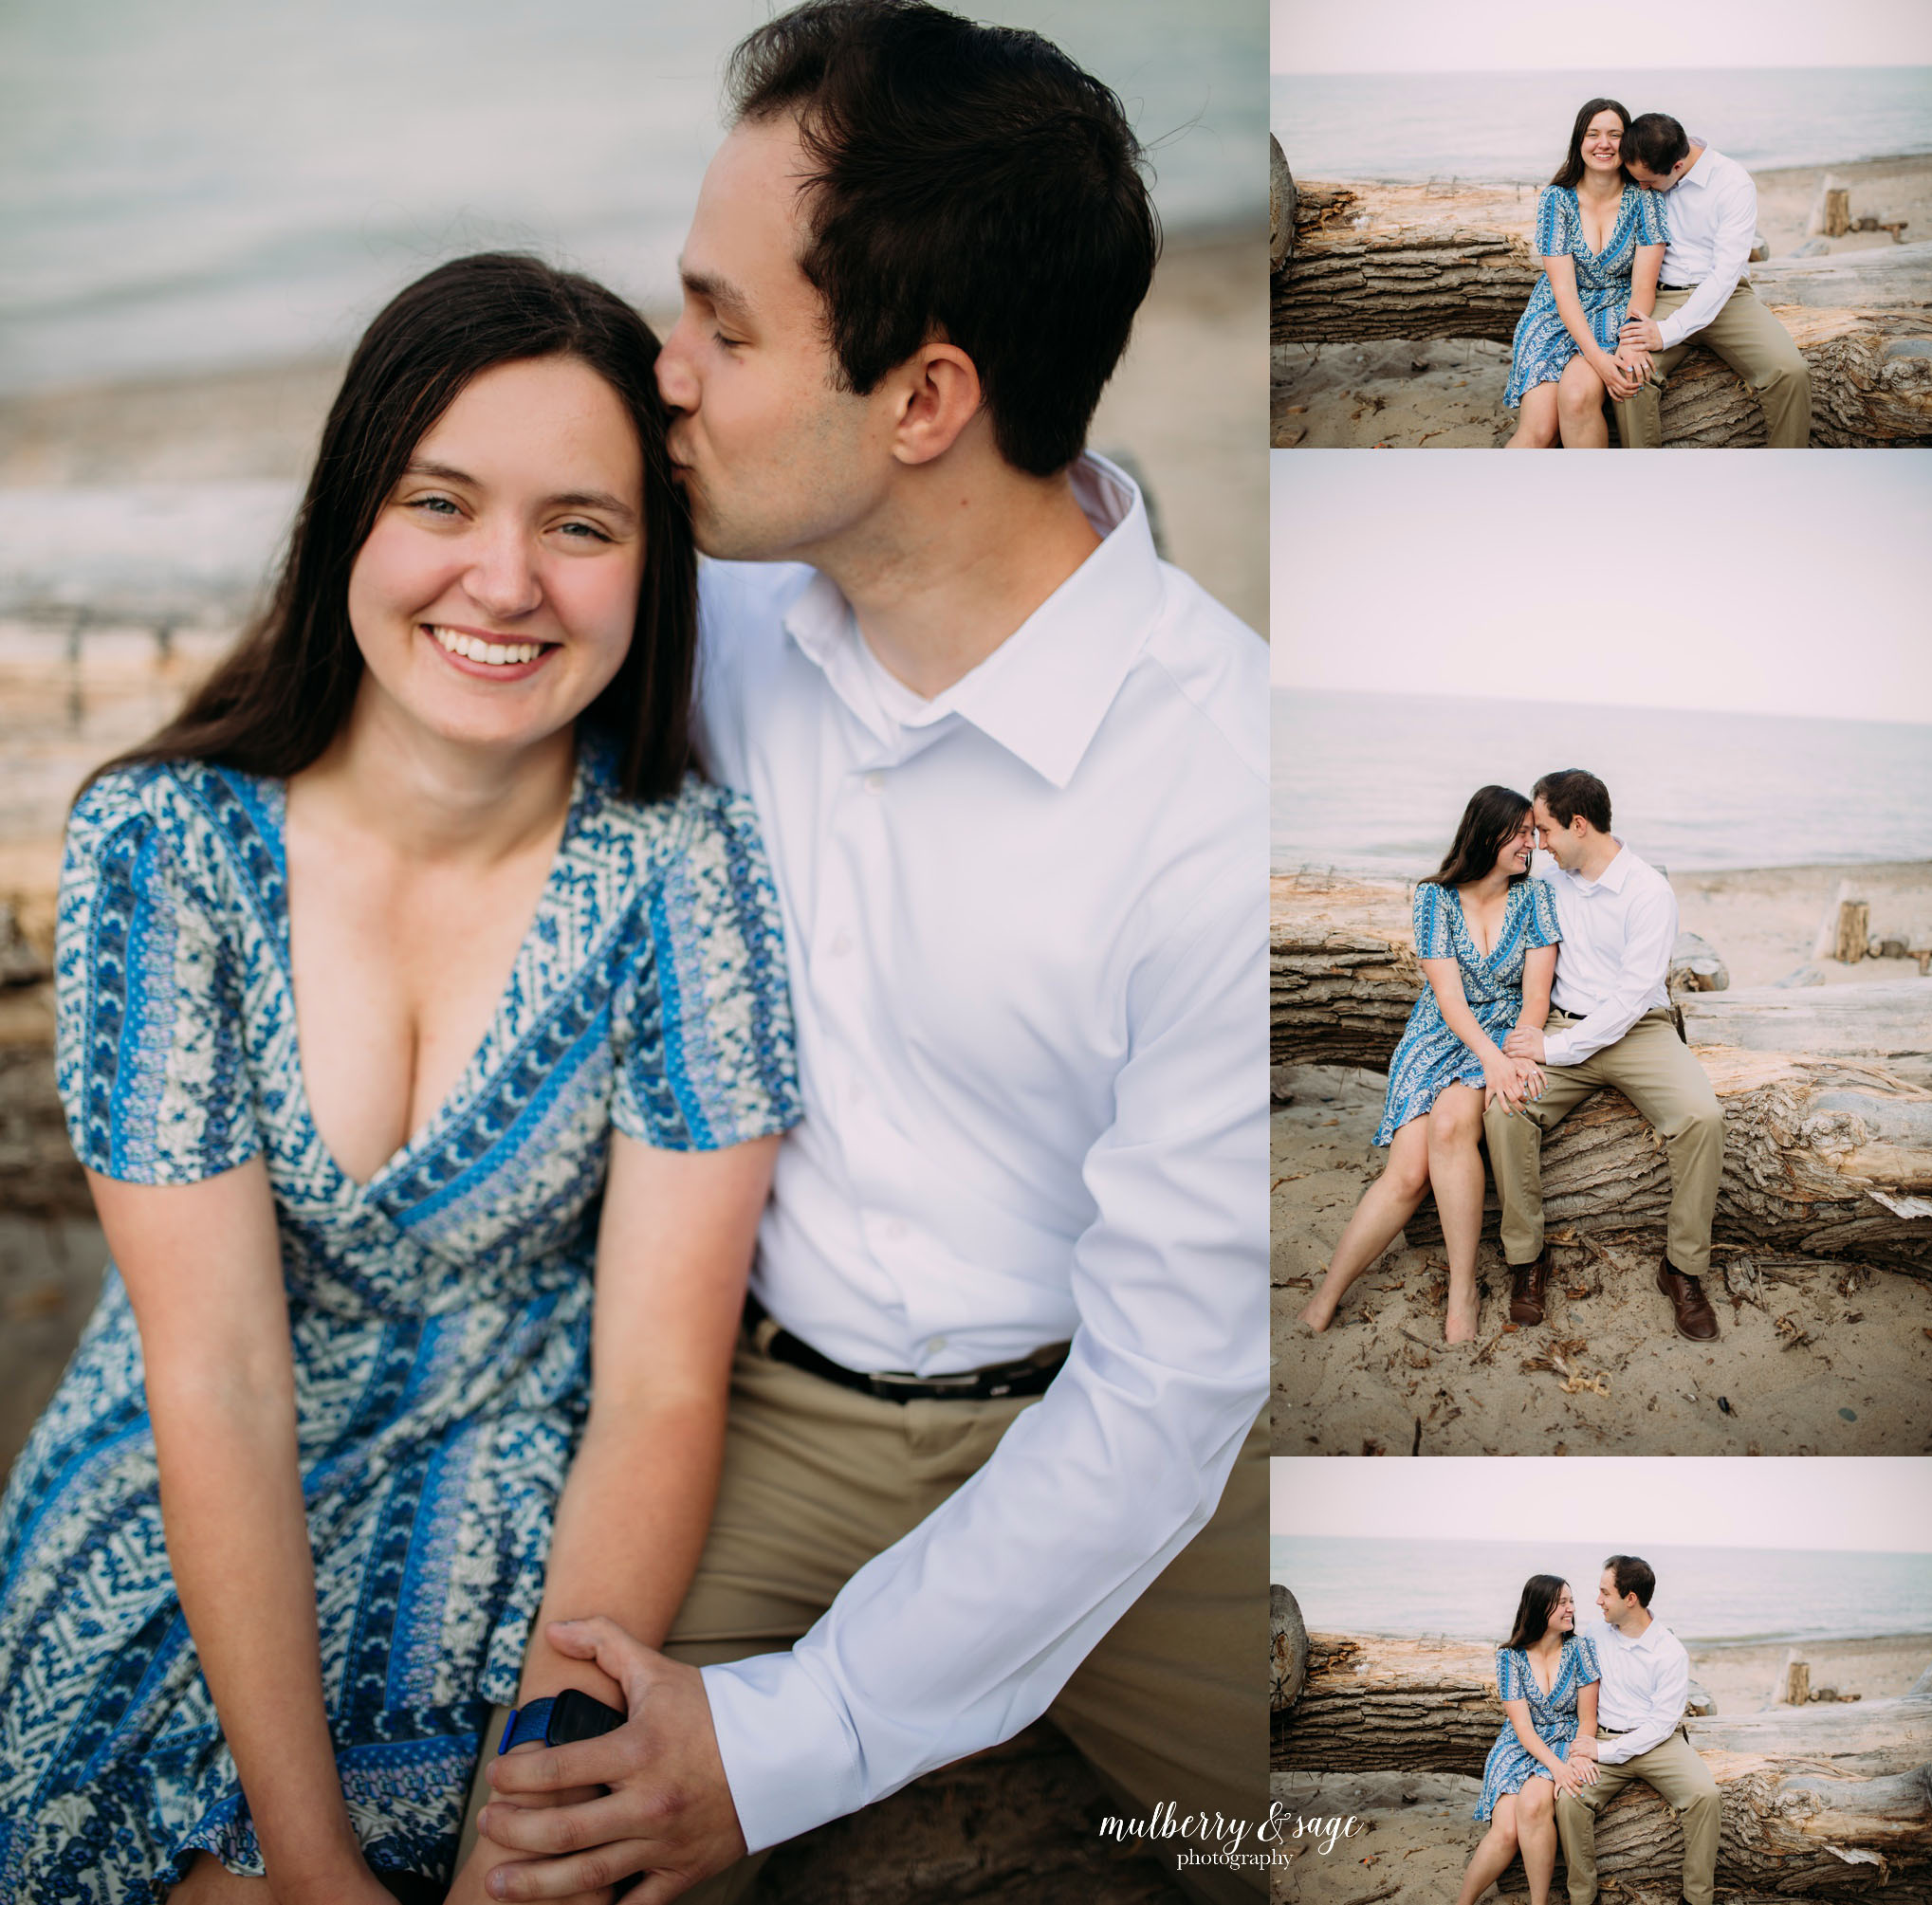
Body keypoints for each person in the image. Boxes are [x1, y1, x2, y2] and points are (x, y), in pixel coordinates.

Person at [467, 5, 1268, 1902]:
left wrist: (788, 1741)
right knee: (535, 1840)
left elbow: (1166, 1387)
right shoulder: (711, 620)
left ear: (923, 401)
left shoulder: (1233, 795)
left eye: (722, 329)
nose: (659, 372)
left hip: (1125, 1454)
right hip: (760, 1409)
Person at [0, 254, 800, 1904]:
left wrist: (542, 1786)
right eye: (442, 501)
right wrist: (309, 1866)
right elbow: (211, 1364)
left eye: (580, 524)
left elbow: (663, 1381)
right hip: (196, 1427)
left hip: (518, 1432)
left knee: (492, 1847)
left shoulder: (683, 864)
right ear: (349, 517)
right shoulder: (161, 852)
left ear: (649, 571)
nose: (502, 580)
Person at [1300, 786, 1557, 1346]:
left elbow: (1537, 994)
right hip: (1442, 1032)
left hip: (1504, 1028)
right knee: (1408, 1172)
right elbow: (1448, 998)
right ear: (1486, 833)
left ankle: (1462, 1289)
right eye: (1520, 832)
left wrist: (1512, 1052)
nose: (1530, 843)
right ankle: (1328, 1294)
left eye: (1534, 833)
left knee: (1449, 1127)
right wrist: (1491, 1062)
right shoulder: (1433, 898)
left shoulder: (1536, 896)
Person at [1489, 771, 1726, 1340]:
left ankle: (1683, 1269)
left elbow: (1626, 1001)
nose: (1539, 843)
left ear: (1579, 824)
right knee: (1504, 1110)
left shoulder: (1648, 893)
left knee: (1703, 1118)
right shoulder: (1549, 875)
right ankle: (1528, 1260)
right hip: (1561, 1022)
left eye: (1545, 829)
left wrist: (1553, 1047)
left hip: (1634, 1031)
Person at [1613, 113, 1811, 448]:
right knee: (1631, 374)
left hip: (1728, 298)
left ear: (1676, 167)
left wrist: (1667, 332)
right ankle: (1642, 480)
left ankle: (1787, 471)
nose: (1641, 187)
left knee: (1790, 372)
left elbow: (1725, 274)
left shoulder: (1733, 183)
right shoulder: (1649, 164)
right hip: (1663, 296)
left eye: (1647, 181)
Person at [1503, 100, 1667, 449]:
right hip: (1556, 313)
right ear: (1580, 141)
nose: (1603, 144)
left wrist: (1628, 343)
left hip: (1616, 311)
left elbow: (1643, 286)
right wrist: (1598, 359)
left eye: (1615, 135)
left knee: (1577, 396)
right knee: (1539, 432)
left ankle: (1592, 497)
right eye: (1593, 134)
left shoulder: (1646, 200)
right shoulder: (1556, 199)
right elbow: (1562, 289)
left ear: (1630, 143)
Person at [1557, 1557, 1720, 1905]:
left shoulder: (1670, 1652)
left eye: (1605, 1593)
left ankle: (1696, 1898)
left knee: (1705, 1796)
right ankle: (1583, 1897)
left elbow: (1661, 1725)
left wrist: (1600, 1753)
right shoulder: (1596, 1631)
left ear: (1630, 1598)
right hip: (1604, 1735)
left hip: (1657, 1743)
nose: (1598, 1600)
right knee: (1570, 1799)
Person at [1455, 1574, 1601, 1905]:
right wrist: (1556, 1769)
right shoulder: (1510, 1658)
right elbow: (1522, 1728)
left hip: (1565, 1737)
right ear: (1539, 1608)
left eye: (1571, 1601)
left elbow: (1588, 1718)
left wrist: (1575, 1759)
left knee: (1533, 1805)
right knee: (1506, 1831)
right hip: (1519, 1745)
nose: (1571, 1609)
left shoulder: (1581, 1649)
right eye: (1562, 1602)